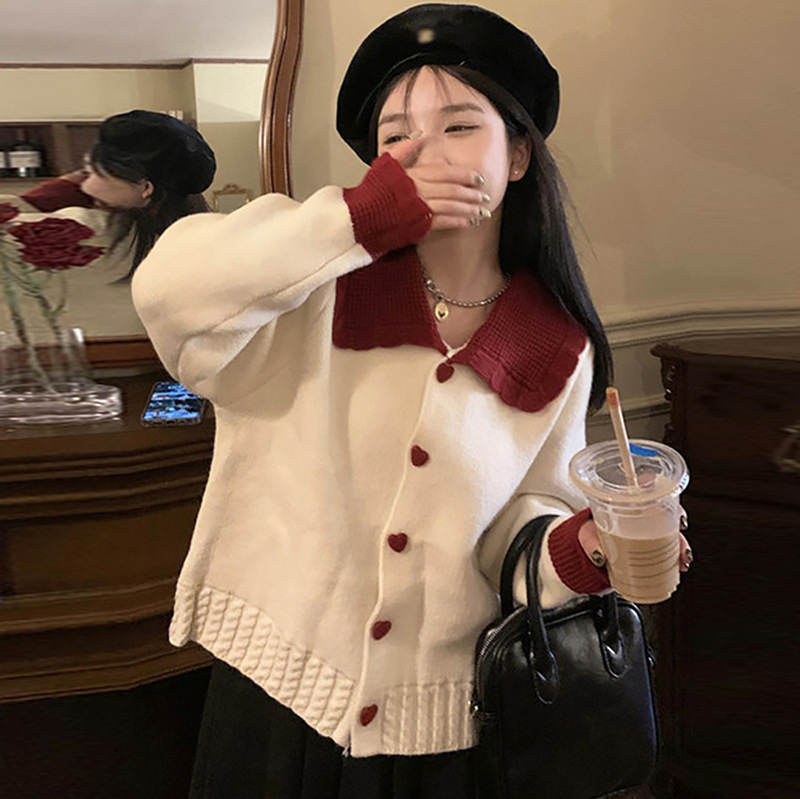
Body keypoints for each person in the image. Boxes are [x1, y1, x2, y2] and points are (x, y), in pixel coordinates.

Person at [131, 5, 691, 797]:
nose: (423, 152)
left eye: (459, 125)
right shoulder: (310, 289)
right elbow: (168, 290)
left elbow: (513, 529)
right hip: (274, 708)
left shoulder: (557, 343)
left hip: (443, 731)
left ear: (518, 154)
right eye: (396, 137)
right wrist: (359, 219)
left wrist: (588, 547)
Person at [18, 110, 216, 278]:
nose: (84, 185)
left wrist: (52, 193)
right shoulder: (203, 240)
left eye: (93, 173)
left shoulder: (97, 233)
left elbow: (9, 224)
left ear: (145, 188)